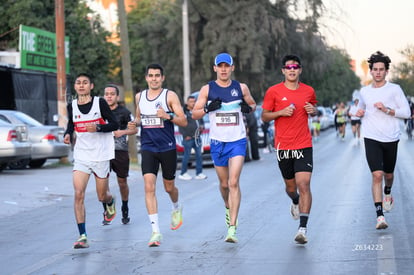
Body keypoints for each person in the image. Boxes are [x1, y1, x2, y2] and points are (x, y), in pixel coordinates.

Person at [192, 52, 256, 243]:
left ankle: (232, 228)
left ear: (232, 68)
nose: (223, 69)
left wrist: (247, 108)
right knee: (224, 184)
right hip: (217, 141)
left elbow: (252, 104)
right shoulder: (207, 89)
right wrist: (207, 109)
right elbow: (194, 113)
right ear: (215, 69)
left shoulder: (240, 87)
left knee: (234, 182)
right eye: (220, 66)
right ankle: (228, 208)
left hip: (237, 140)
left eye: (226, 66)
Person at [127, 63, 187, 247]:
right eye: (151, 76)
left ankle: (176, 207)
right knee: (149, 187)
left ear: (162, 78)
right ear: (146, 78)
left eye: (157, 76)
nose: (154, 79)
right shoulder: (140, 97)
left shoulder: (169, 96)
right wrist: (134, 124)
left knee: (169, 187)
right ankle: (155, 232)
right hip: (148, 147)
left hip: (167, 147)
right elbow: (139, 118)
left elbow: (183, 121)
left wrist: (167, 116)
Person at [261, 54, 317, 244]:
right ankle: (294, 201)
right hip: (283, 146)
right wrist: (281, 113)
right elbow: (264, 116)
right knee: (291, 188)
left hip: (303, 145)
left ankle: (302, 228)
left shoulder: (309, 90)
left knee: (304, 184)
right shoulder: (273, 92)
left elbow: (313, 107)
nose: (292, 70)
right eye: (288, 67)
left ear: (300, 70)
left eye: (295, 67)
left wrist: (314, 111)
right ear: (283, 71)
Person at [63, 73, 119, 249]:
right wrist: (67, 133)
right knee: (78, 194)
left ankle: (109, 202)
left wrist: (98, 127)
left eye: (85, 83)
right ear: (75, 87)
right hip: (81, 155)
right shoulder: (71, 106)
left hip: (101, 155)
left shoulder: (99, 103)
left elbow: (115, 124)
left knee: (101, 195)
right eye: (78, 83)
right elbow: (71, 124)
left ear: (91, 86)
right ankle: (82, 235)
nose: (81, 85)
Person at [355, 51, 410, 230]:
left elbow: (407, 113)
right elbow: (358, 109)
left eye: (381, 69)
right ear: (370, 71)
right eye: (375, 69)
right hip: (371, 137)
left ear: (386, 71)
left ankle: (388, 192)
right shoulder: (364, 91)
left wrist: (387, 110)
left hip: (391, 138)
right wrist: (358, 112)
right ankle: (380, 216)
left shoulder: (395, 89)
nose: (378, 72)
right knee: (376, 175)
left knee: (388, 175)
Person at [103, 84, 138, 225]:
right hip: (102, 151)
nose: (109, 96)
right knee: (103, 183)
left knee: (122, 182)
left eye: (112, 94)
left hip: (120, 150)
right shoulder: (99, 111)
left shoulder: (124, 112)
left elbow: (134, 130)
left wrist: (122, 132)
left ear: (117, 97)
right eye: (107, 94)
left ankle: (125, 207)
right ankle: (107, 210)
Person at [178, 95, 207, 180]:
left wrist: (202, 127)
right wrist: (185, 135)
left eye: (194, 101)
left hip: (197, 137)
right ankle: (183, 173)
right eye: (191, 101)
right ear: (187, 102)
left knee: (199, 155)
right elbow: (180, 124)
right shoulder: (183, 112)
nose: (193, 103)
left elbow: (201, 120)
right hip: (188, 138)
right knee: (186, 155)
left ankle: (199, 173)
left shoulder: (196, 111)